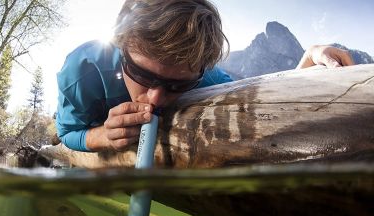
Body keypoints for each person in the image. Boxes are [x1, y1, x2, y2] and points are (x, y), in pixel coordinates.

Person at [56, 0, 353, 153]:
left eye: (178, 85)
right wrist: (102, 137)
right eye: (141, 74)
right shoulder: (82, 70)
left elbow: (260, 93)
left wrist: (309, 60)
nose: (156, 98)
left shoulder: (207, 79)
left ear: (199, 72)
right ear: (120, 46)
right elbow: (68, 132)